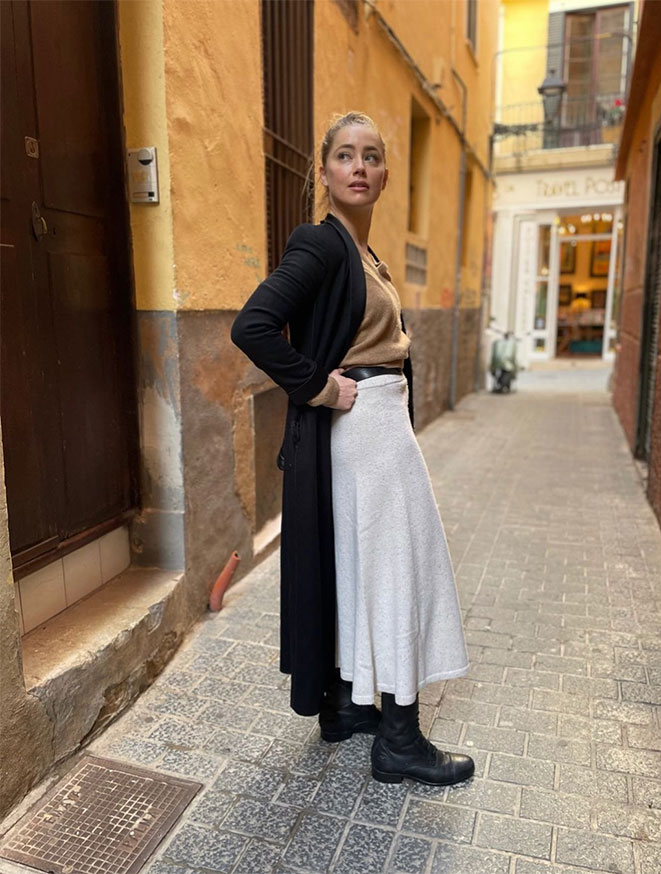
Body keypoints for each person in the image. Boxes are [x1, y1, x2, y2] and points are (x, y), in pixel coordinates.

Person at [230, 112, 473, 786]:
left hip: (374, 430)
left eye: (371, 155)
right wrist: (318, 387)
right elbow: (253, 326)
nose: (359, 166)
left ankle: (345, 707)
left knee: (360, 568)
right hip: (365, 430)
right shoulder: (321, 244)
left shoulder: (367, 256)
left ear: (386, 174)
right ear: (325, 172)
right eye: (344, 155)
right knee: (398, 573)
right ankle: (399, 740)